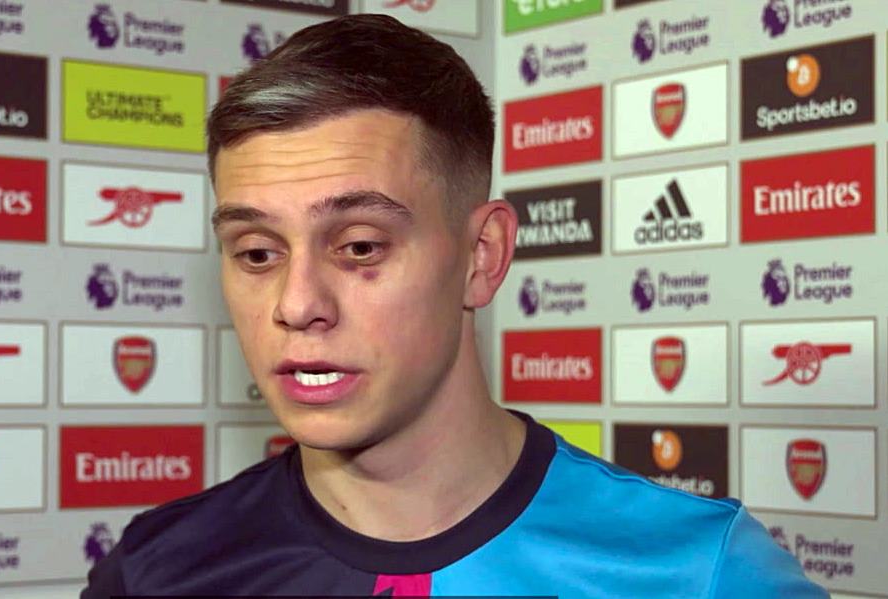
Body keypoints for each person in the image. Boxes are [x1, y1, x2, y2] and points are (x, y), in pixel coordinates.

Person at [81, 14, 828, 598]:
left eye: (360, 246)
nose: (297, 303)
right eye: (256, 253)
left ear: (482, 256)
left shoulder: (694, 572)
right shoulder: (155, 572)